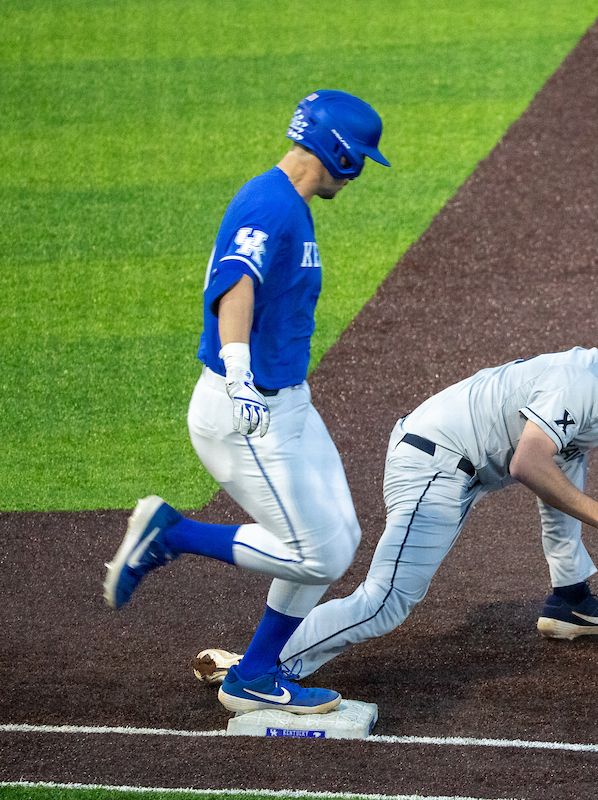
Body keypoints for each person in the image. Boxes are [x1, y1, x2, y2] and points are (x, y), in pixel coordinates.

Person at [196, 302, 598, 683]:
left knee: (571, 463)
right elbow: (527, 463)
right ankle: (262, 672)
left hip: (461, 459)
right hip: (434, 463)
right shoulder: (583, 387)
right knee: (387, 600)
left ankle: (570, 599)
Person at [103, 90, 391, 715]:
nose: (362, 170)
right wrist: (237, 370)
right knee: (322, 552)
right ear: (339, 152)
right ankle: (171, 535)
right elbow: (236, 280)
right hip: (245, 413)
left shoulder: (291, 203)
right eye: (360, 157)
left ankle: (256, 673)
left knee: (338, 536)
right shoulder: (271, 204)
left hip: (287, 405)